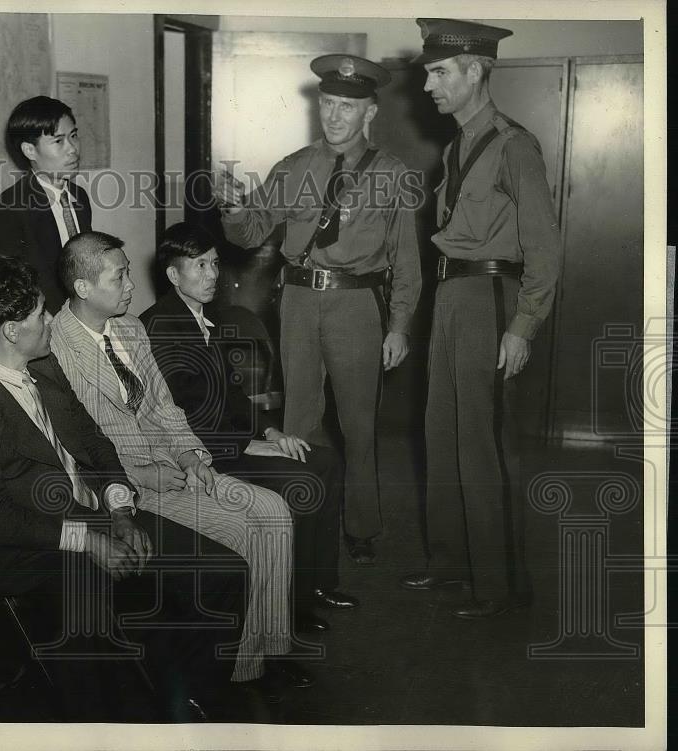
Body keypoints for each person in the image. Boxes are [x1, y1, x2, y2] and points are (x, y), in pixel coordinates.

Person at [0, 256, 248, 721]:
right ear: (12, 330)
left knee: (223, 572)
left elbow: (96, 443)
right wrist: (90, 541)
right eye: (41, 314)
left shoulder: (46, 367)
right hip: (33, 549)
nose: (52, 319)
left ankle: (191, 703)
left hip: (95, 519)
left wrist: (119, 509)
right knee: (92, 630)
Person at [50, 231, 311, 698]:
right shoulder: (57, 346)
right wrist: (144, 475)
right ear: (83, 288)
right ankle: (239, 673)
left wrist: (194, 457)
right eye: (120, 276)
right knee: (243, 532)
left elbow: (165, 409)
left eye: (129, 272)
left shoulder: (130, 329)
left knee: (274, 512)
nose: (131, 285)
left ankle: (264, 655)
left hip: (173, 465)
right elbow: (76, 449)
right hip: (127, 487)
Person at [216, 54, 422, 565]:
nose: (333, 116)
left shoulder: (392, 175)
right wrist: (235, 208)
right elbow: (250, 234)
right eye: (328, 104)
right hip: (300, 304)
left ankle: (361, 527)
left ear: (369, 113)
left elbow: (407, 261)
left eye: (347, 107)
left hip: (357, 306)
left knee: (359, 425)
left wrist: (398, 325)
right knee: (299, 420)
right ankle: (299, 521)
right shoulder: (294, 167)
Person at [400, 19, 562, 618]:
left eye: (439, 72)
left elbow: (544, 246)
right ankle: (450, 564)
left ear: (475, 70)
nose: (427, 85)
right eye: (427, 72)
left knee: (484, 442)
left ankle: (500, 587)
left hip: (490, 297)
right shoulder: (455, 146)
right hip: (451, 298)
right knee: (441, 435)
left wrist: (522, 326)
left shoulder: (514, 145)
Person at [140, 222, 359, 633]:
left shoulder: (204, 317)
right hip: (203, 454)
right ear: (173, 274)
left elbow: (232, 395)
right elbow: (182, 415)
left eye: (214, 264)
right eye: (199, 265)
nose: (211, 274)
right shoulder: (160, 327)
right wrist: (248, 446)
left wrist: (271, 433)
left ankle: (316, 585)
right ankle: (290, 607)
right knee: (302, 477)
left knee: (326, 460)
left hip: (232, 441)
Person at [0, 96, 91, 312]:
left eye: (74, 136)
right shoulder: (7, 210)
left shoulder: (80, 197)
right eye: (58, 141)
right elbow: (5, 292)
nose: (73, 149)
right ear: (30, 150)